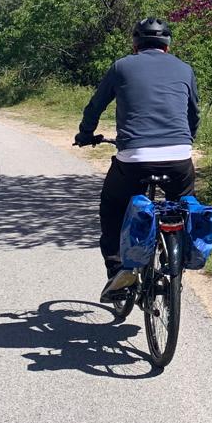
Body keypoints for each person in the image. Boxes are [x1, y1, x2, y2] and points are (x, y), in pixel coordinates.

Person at [73, 17, 199, 299]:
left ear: (135, 44)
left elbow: (96, 105)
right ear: (167, 45)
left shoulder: (121, 66)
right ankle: (176, 255)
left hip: (134, 158)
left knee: (113, 207)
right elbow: (194, 114)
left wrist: (85, 134)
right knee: (183, 205)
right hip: (179, 156)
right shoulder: (185, 69)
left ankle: (119, 270)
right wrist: (185, 139)